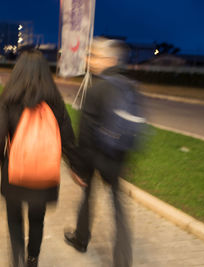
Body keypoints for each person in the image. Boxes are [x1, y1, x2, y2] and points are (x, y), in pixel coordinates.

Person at [0, 50, 76, 267]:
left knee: (14, 218)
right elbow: (69, 141)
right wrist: (71, 164)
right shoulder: (55, 101)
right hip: (44, 173)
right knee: (37, 219)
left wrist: (5, 159)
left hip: (14, 172)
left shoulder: (7, 99)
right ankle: (32, 259)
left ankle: (16, 259)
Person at [63, 37, 133, 267]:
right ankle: (123, 259)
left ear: (109, 59)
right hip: (117, 158)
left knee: (87, 197)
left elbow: (85, 134)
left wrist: (80, 168)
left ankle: (81, 239)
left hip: (95, 157)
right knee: (118, 207)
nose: (89, 60)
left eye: (94, 56)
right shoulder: (128, 87)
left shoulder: (97, 89)